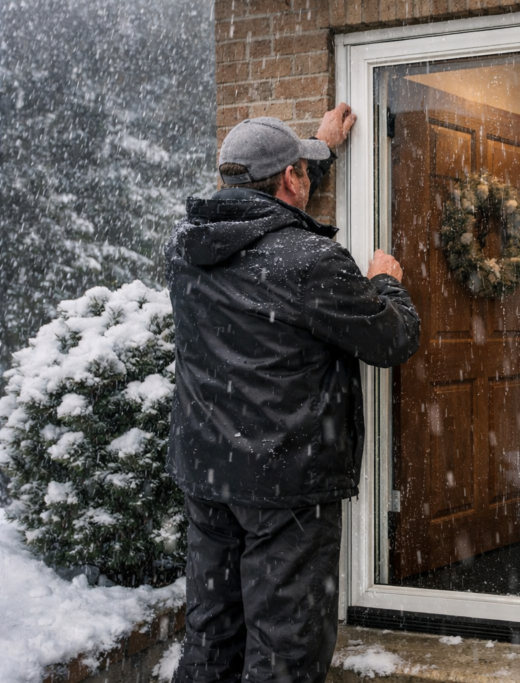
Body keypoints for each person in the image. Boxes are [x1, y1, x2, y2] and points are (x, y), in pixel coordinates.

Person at [165, 106, 420, 683]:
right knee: (285, 651)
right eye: (300, 170)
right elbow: (392, 339)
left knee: (213, 638)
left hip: (209, 475)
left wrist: (317, 150)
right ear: (288, 179)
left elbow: (256, 219)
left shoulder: (186, 248)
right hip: (284, 486)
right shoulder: (311, 261)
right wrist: (384, 282)